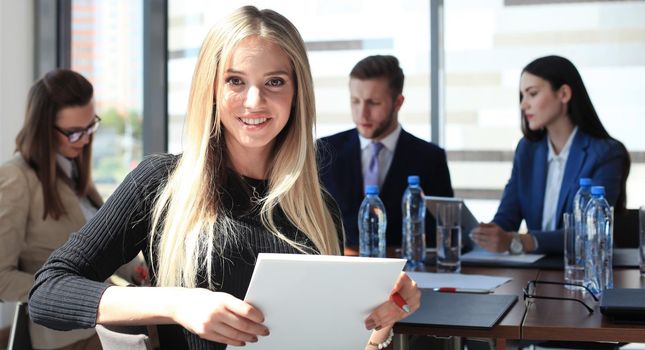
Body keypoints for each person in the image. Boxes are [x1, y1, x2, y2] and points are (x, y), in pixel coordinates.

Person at [29, 6, 420, 350]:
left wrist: (378, 325)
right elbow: (49, 290)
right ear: (212, 88)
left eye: (275, 82)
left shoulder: (318, 208)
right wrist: (179, 303)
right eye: (235, 81)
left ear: (297, 93)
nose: (254, 101)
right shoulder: (160, 183)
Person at [471, 55, 630, 255]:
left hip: (587, 271)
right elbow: (506, 218)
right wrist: (488, 235)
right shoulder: (527, 149)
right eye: (522, 96)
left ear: (563, 94)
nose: (523, 105)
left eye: (532, 93)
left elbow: (589, 232)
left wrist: (520, 241)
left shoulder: (606, 154)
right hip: (534, 271)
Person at [0, 69, 102, 349]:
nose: (85, 140)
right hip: (67, 337)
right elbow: (1, 278)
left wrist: (139, 271)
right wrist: (79, 293)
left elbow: (95, 237)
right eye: (73, 133)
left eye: (90, 126)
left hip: (101, 324)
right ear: (43, 129)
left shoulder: (74, 170)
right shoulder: (16, 179)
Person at [319, 55, 454, 251]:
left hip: (406, 273)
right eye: (355, 101)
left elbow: (444, 235)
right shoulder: (324, 151)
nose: (362, 113)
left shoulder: (431, 158)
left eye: (373, 103)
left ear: (398, 103)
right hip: (339, 272)